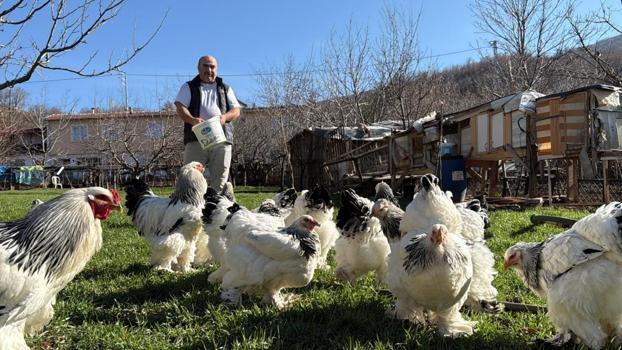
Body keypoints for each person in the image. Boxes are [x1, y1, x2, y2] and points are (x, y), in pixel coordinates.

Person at [175, 55, 241, 192]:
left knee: (221, 179)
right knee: (191, 178)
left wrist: (224, 117)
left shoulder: (225, 88)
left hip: (221, 139)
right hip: (195, 138)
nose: (209, 70)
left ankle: (218, 209)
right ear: (198, 68)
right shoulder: (188, 87)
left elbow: (236, 110)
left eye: (212, 67)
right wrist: (193, 120)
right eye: (205, 66)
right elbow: (180, 107)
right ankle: (190, 209)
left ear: (217, 69)